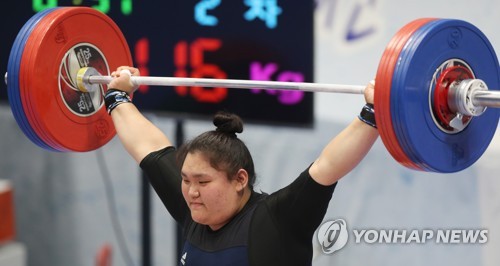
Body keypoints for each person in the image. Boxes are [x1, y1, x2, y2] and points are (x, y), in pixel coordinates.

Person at [106, 66, 378, 265]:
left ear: (240, 179)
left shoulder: (277, 220)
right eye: (186, 180)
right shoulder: (195, 208)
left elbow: (327, 167)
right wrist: (117, 98)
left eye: (202, 182)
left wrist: (373, 113)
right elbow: (149, 148)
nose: (191, 191)